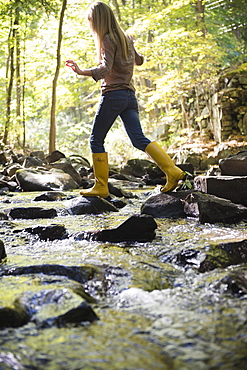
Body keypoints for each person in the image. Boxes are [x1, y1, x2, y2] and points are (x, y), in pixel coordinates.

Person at [66, 1, 184, 198]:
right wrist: (132, 45)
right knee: (139, 139)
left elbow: (105, 69)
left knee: (96, 140)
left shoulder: (108, 40)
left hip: (113, 95)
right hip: (130, 97)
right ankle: (172, 171)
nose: (91, 26)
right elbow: (140, 60)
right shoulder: (125, 38)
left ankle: (101, 187)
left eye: (91, 22)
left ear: (99, 21)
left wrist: (81, 71)